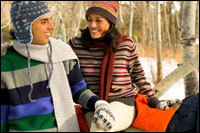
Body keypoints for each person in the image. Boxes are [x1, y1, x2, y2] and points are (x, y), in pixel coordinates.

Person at [1, 1, 115, 132]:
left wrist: (98, 104)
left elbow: (79, 90)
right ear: (24, 26)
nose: (51, 26)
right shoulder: (5, 64)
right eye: (44, 22)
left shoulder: (61, 53)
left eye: (50, 20)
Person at [68, 1, 170, 132]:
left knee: (101, 126)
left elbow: (138, 78)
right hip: (92, 105)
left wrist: (154, 101)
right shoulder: (76, 44)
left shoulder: (126, 44)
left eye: (98, 20)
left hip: (123, 103)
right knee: (96, 123)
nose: (92, 25)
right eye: (89, 20)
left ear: (111, 22)